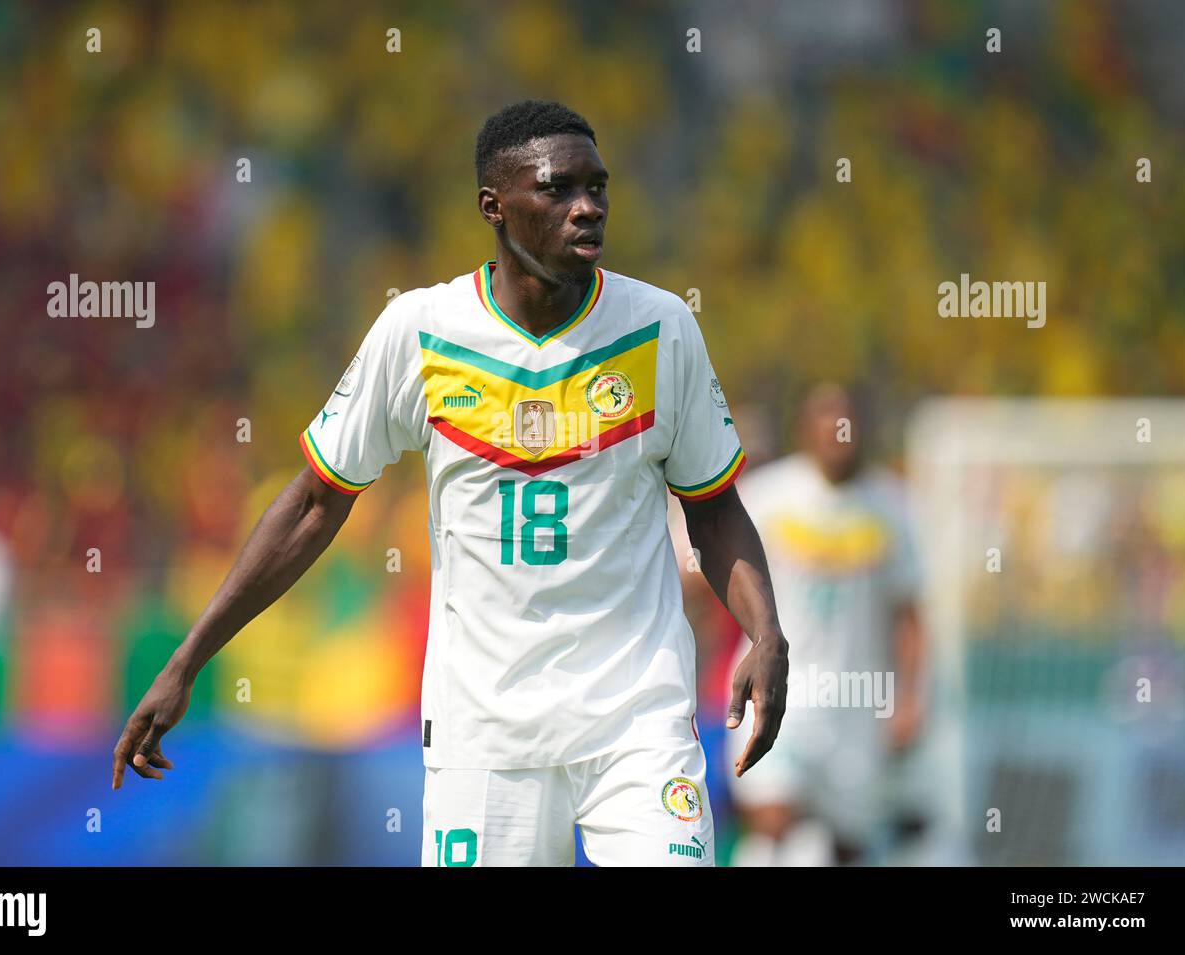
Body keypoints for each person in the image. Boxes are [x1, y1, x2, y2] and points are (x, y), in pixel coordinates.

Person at [112, 99, 790, 867]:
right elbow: (312, 504)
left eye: (597, 188)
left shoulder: (662, 328)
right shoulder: (420, 333)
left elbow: (714, 508)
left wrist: (765, 633)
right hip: (485, 736)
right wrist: (187, 661)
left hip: (635, 722)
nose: (587, 208)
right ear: (494, 208)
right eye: (558, 189)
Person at [723, 384, 925, 866]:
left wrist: (911, 698)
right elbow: (723, 574)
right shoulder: (770, 496)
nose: (840, 433)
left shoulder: (891, 507)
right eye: (827, 420)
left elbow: (910, 613)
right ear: (805, 429)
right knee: (772, 818)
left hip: (857, 702)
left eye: (849, 421)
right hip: (780, 690)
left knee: (846, 845)